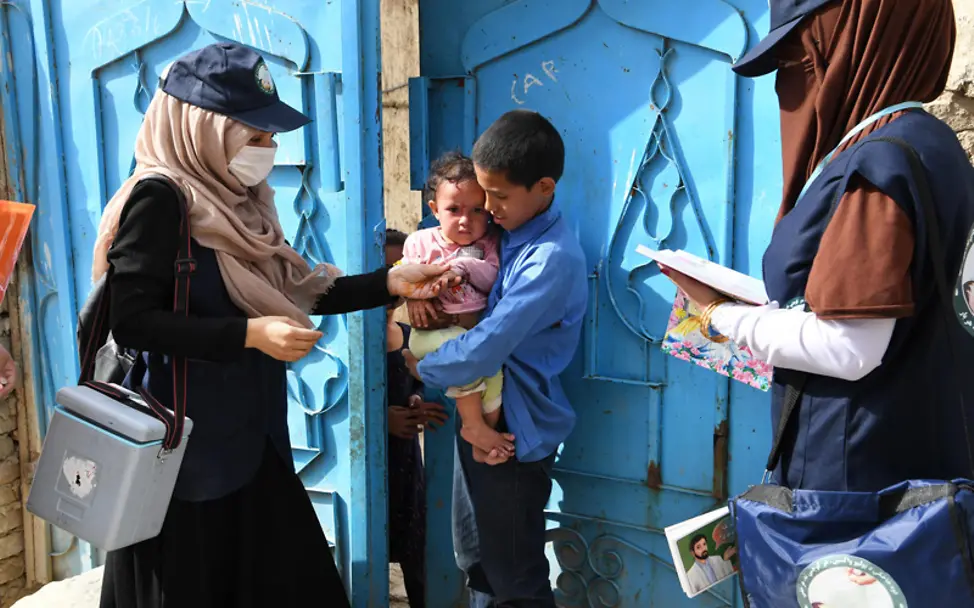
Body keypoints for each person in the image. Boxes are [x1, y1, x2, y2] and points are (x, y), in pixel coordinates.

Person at [93, 43, 450, 608]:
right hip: (186, 458)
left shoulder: (243, 206)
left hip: (250, 437)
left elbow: (297, 286)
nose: (268, 150)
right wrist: (251, 335)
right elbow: (132, 322)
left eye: (269, 137)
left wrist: (391, 283)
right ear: (203, 129)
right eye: (255, 136)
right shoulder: (159, 200)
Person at [661, 0, 972, 494]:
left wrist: (718, 314)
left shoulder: (877, 167)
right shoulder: (935, 145)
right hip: (913, 464)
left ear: (861, 41)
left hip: (854, 492)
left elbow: (850, 347)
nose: (788, 86)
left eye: (799, 60)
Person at [404, 110, 588, 606]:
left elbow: (488, 344)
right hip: (482, 413)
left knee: (515, 579)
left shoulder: (548, 259)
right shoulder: (505, 234)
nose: (488, 208)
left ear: (544, 188)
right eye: (484, 195)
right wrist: (419, 296)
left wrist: (420, 365)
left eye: (498, 197)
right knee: (477, 560)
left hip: (513, 430)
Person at [403, 152, 513, 464]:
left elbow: (491, 278)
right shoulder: (420, 243)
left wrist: (462, 266)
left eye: (477, 210)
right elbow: (404, 278)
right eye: (454, 210)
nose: (466, 220)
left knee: (494, 376)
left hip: (472, 335)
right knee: (463, 356)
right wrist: (416, 298)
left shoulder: (489, 243)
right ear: (434, 210)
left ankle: (482, 443)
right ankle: (473, 425)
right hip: (430, 337)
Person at [384, 228, 448, 608]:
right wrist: (381, 421)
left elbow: (417, 381)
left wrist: (418, 399)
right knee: (371, 545)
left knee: (417, 552)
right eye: (383, 271)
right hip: (370, 468)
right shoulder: (348, 343)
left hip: (407, 466)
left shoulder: (410, 335)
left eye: (397, 268)